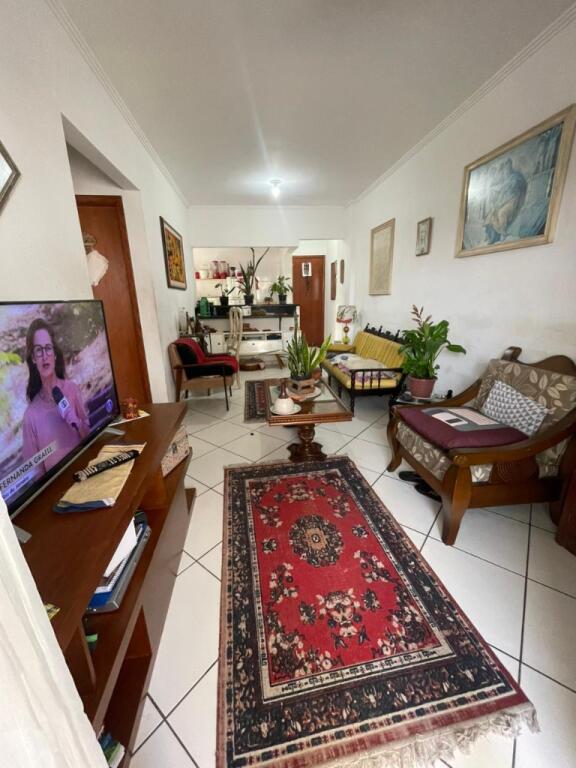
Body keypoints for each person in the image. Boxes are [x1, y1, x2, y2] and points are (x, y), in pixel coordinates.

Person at [22, 319, 90, 475]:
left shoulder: (72, 390)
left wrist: (76, 421)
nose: (44, 356)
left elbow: (90, 437)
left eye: (48, 348)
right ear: (33, 358)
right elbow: (35, 474)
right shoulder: (30, 417)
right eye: (38, 350)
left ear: (54, 355)